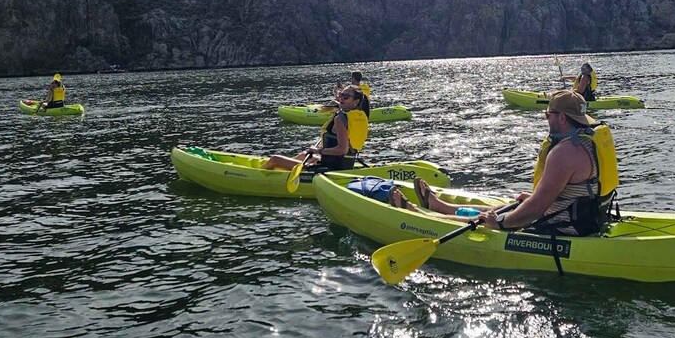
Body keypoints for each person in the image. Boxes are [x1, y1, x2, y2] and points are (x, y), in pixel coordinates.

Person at [387, 90, 618, 236]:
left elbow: (536, 210)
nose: (546, 119)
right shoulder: (588, 141)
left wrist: (501, 224)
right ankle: (439, 207)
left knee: (491, 219)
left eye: (548, 115)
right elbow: (567, 192)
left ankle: (417, 214)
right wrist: (531, 201)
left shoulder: (564, 152)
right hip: (589, 217)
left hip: (564, 225)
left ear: (562, 118)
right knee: (508, 207)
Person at [263, 86, 370, 171]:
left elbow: (342, 149)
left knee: (274, 159)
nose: (341, 99)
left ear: (355, 102)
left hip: (330, 168)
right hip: (346, 164)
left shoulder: (340, 119)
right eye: (341, 95)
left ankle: (261, 173)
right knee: (303, 155)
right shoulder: (360, 116)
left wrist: (319, 150)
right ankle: (285, 170)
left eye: (346, 97)